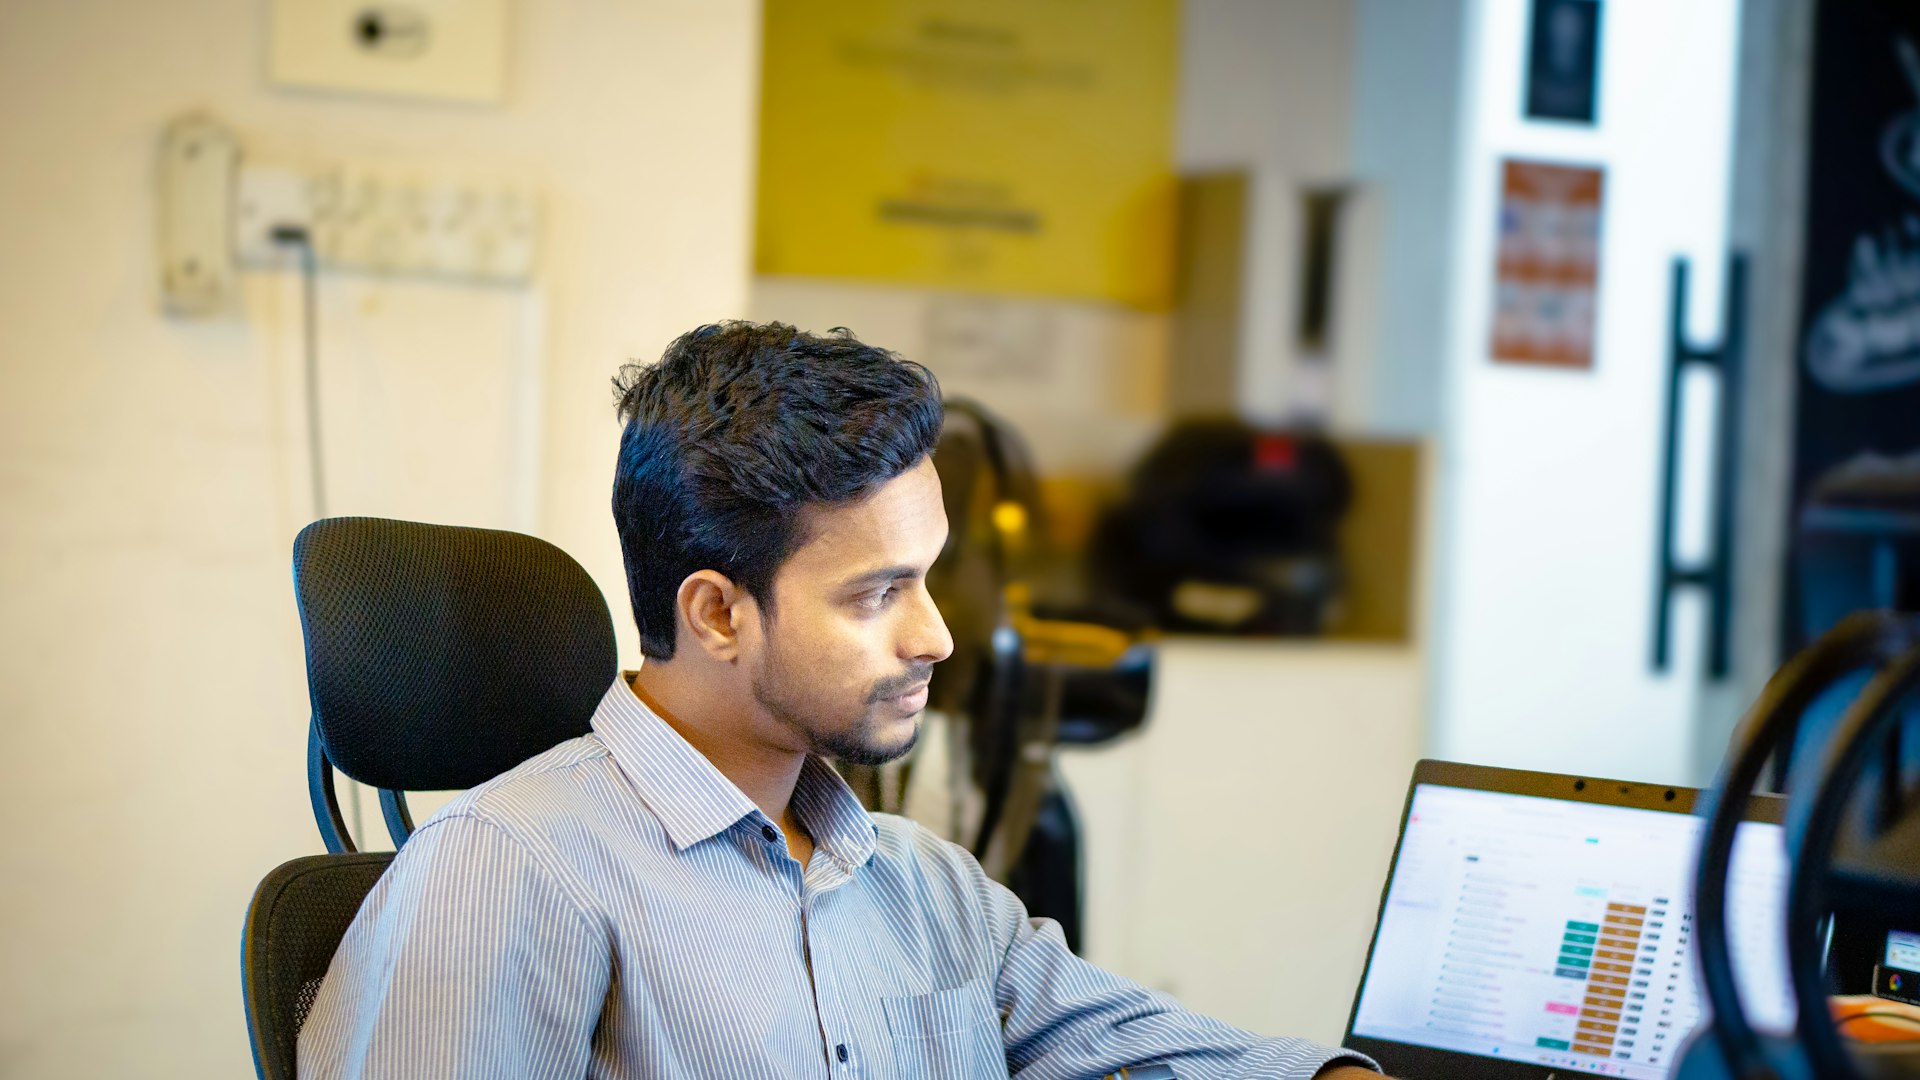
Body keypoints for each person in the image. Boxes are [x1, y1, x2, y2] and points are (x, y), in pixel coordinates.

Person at [298, 321, 1383, 1080]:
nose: (937, 636)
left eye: (930, 578)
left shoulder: (921, 887)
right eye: (878, 594)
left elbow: (1150, 1051)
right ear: (719, 613)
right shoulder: (511, 875)